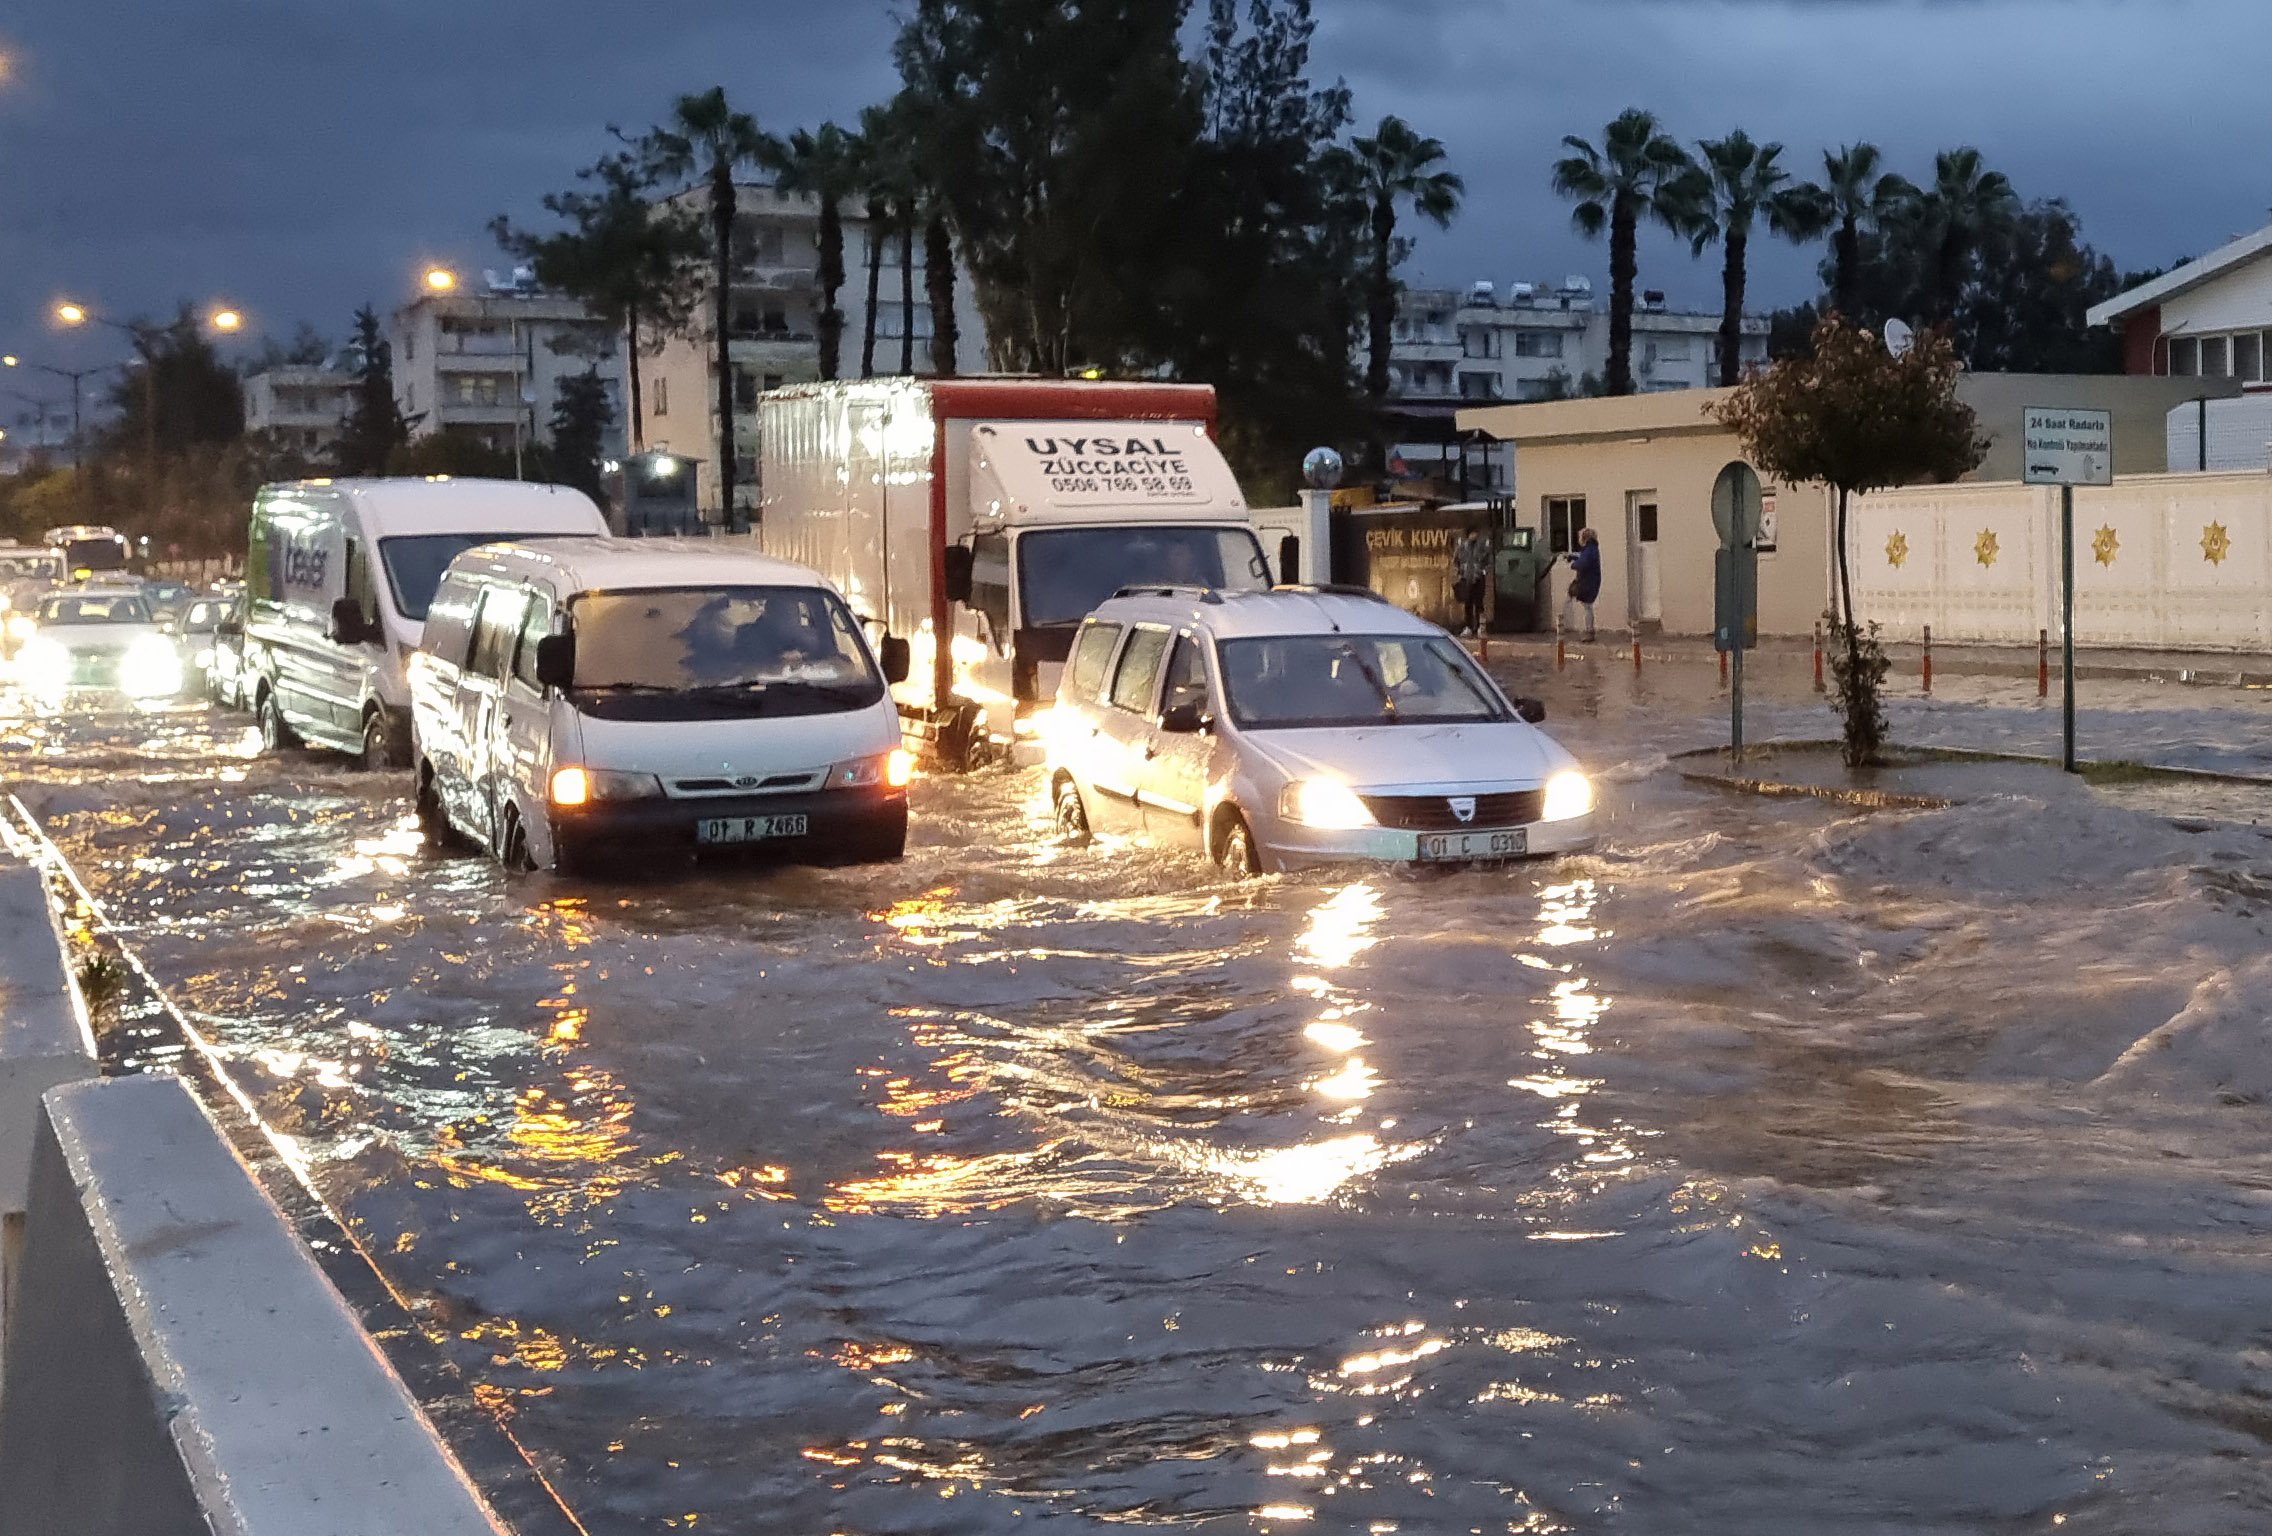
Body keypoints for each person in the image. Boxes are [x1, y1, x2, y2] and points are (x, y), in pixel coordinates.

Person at [1451, 523, 1492, 637]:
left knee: (1479, 603)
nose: (1474, 536)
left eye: (1475, 534)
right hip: (1466, 578)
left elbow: (1488, 560)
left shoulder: (1482, 546)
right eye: (1472, 534)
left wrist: (1483, 571)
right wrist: (1459, 572)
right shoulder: (1463, 547)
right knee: (1468, 603)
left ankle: (1480, 627)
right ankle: (1469, 626)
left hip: (1478, 578)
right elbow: (1456, 560)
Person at [1564, 527, 1601, 641]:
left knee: (1585, 605)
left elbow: (1583, 563)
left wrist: (1573, 565)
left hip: (1587, 582)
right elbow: (1583, 558)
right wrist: (1573, 557)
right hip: (1589, 581)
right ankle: (1587, 630)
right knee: (1586, 605)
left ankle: (1587, 630)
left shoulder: (1589, 550)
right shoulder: (1591, 549)